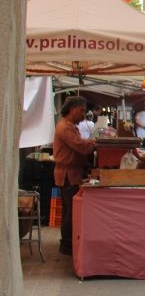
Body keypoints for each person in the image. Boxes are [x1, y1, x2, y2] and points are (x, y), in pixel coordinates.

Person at [53, 96, 97, 256]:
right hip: (68, 174)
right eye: (82, 110)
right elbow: (80, 146)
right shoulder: (65, 127)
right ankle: (67, 245)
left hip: (70, 173)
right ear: (72, 110)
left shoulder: (68, 125)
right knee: (70, 210)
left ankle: (67, 244)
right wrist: (95, 142)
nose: (84, 114)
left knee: (68, 210)